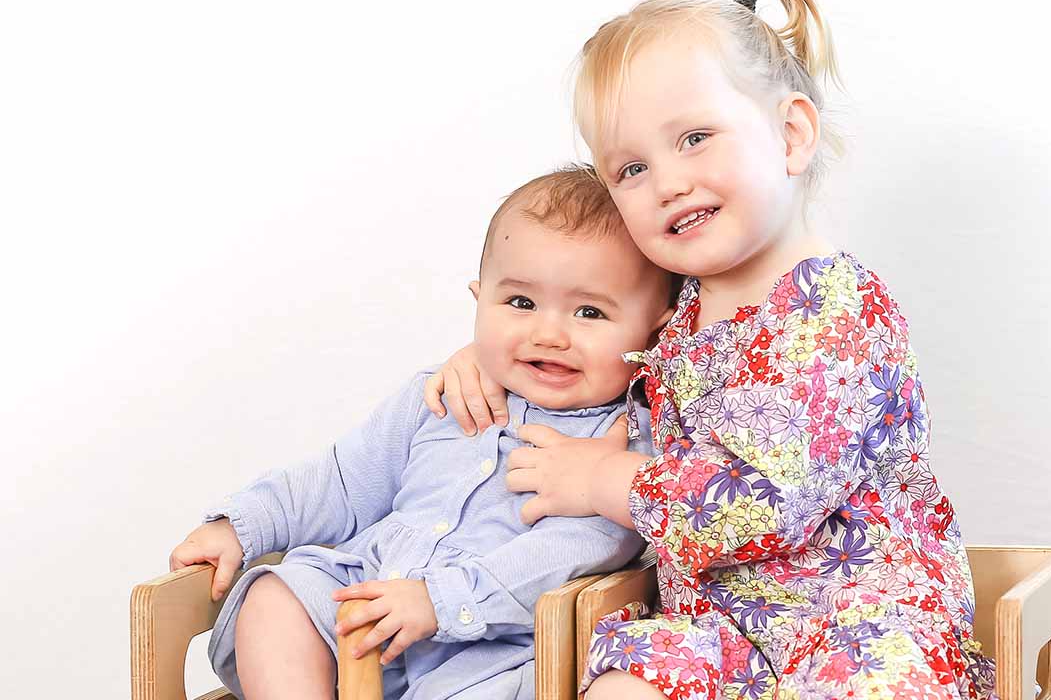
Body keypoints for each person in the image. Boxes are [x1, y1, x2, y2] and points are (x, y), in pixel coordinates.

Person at [424, 0, 999, 699]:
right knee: (622, 682)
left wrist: (606, 479)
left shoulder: (834, 309)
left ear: (791, 135)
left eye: (694, 138)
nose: (667, 180)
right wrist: (487, 355)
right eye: (630, 168)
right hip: (719, 634)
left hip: (859, 629)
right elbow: (585, 355)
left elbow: (768, 502)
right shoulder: (678, 314)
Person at [168, 165, 677, 700]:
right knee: (276, 599)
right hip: (367, 590)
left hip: (494, 645)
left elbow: (575, 550)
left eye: (590, 311)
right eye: (521, 303)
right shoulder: (440, 394)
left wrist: (442, 599)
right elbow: (341, 479)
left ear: (655, 329)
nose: (548, 334)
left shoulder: (619, 441)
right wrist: (244, 525)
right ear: (480, 300)